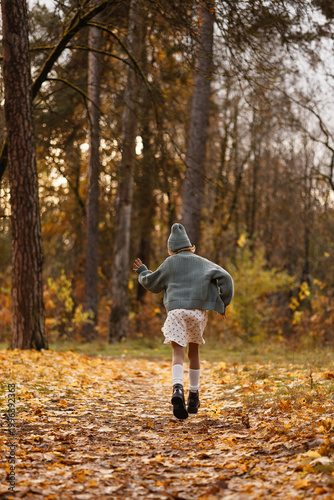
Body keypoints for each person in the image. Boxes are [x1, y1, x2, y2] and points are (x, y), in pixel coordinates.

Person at [133, 223, 234, 420]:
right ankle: (194, 396)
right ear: (190, 246)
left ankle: (177, 389)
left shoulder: (170, 263)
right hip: (197, 313)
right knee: (194, 351)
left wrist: (143, 272)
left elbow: (152, 282)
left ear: (171, 249)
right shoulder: (203, 262)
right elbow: (226, 278)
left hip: (176, 313)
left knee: (178, 352)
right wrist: (223, 302)